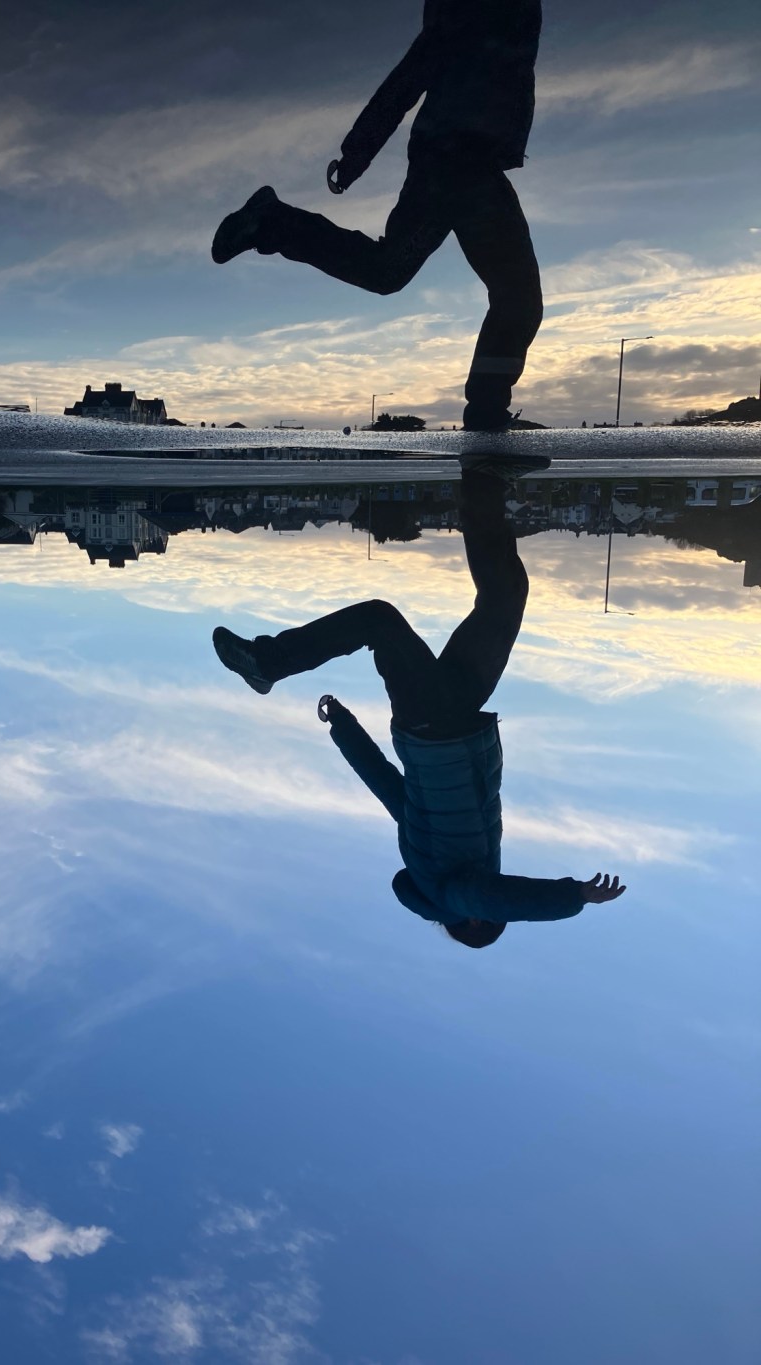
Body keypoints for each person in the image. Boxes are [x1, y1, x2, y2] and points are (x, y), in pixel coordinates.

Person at [211, 462, 626, 947]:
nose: (491, 897)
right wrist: (342, 726)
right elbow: (384, 784)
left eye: (488, 913)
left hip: (436, 729)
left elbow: (494, 898)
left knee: (380, 620)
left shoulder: (451, 894)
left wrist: (572, 897)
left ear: (473, 921)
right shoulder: (432, 857)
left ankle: (268, 663)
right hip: (461, 719)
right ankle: (485, 482)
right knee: (504, 597)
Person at [211, 0, 544, 431]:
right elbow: (412, 73)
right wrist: (358, 151)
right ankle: (272, 222)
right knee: (508, 295)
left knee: (426, 279)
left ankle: (487, 411)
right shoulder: (474, 10)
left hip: (469, 161)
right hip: (455, 159)